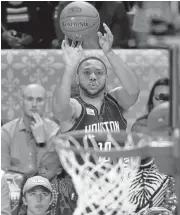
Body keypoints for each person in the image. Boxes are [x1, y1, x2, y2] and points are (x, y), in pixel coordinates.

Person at [52, 23, 139, 151]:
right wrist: (69, 66)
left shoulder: (116, 101)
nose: (93, 76)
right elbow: (59, 109)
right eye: (86, 72)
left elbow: (133, 91)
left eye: (99, 73)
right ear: (77, 78)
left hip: (119, 170)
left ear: (106, 78)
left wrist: (109, 53)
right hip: (85, 170)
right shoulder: (75, 107)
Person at [130, 78, 177, 214]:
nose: (164, 102)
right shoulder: (141, 126)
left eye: (169, 98)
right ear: (152, 102)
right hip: (150, 197)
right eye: (159, 98)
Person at [1, 84, 60, 174]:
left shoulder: (55, 132)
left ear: (45, 103)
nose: (34, 104)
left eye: (39, 100)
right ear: (22, 101)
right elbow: (2, 173)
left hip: (43, 185)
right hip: (13, 185)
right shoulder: (6, 132)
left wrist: (41, 143)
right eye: (30, 99)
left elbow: (48, 173)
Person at [53, 1, 131, 49]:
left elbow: (119, 40)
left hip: (106, 57)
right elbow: (63, 40)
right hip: (74, 57)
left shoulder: (116, 6)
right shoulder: (65, 6)